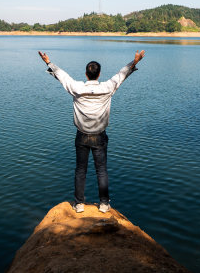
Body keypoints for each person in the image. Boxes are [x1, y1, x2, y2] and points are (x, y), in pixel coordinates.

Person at [38, 49, 145, 213]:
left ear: (86, 74)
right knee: (101, 170)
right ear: (99, 74)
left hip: (82, 136)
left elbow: (62, 76)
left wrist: (48, 62)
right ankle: (103, 204)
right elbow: (121, 75)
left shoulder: (76, 87)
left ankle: (79, 204)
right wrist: (135, 61)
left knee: (80, 170)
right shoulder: (108, 87)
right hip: (99, 136)